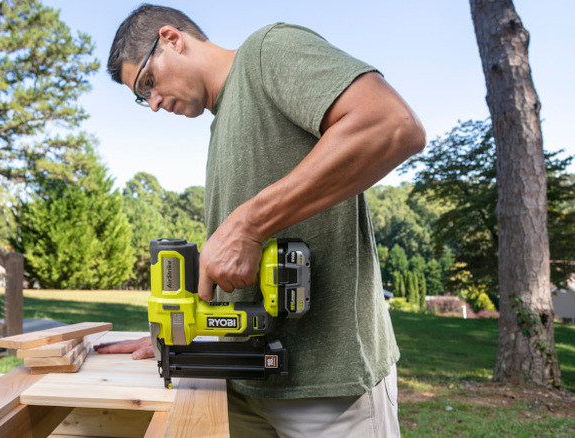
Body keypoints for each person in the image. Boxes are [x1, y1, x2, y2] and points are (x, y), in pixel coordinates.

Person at [94, 4, 425, 436]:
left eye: (148, 82)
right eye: (142, 97)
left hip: (326, 389)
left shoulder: (268, 50)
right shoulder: (222, 125)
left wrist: (247, 224)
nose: (153, 103)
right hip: (243, 384)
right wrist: (184, 331)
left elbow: (392, 125)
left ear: (172, 39)